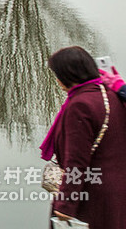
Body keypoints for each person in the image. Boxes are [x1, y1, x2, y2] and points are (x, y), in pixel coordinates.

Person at [40, 46, 126, 228]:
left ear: (67, 76)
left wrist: (66, 203)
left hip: (92, 199)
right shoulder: (112, 95)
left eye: (57, 75)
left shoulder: (79, 105)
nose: (57, 80)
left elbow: (76, 161)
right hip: (117, 194)